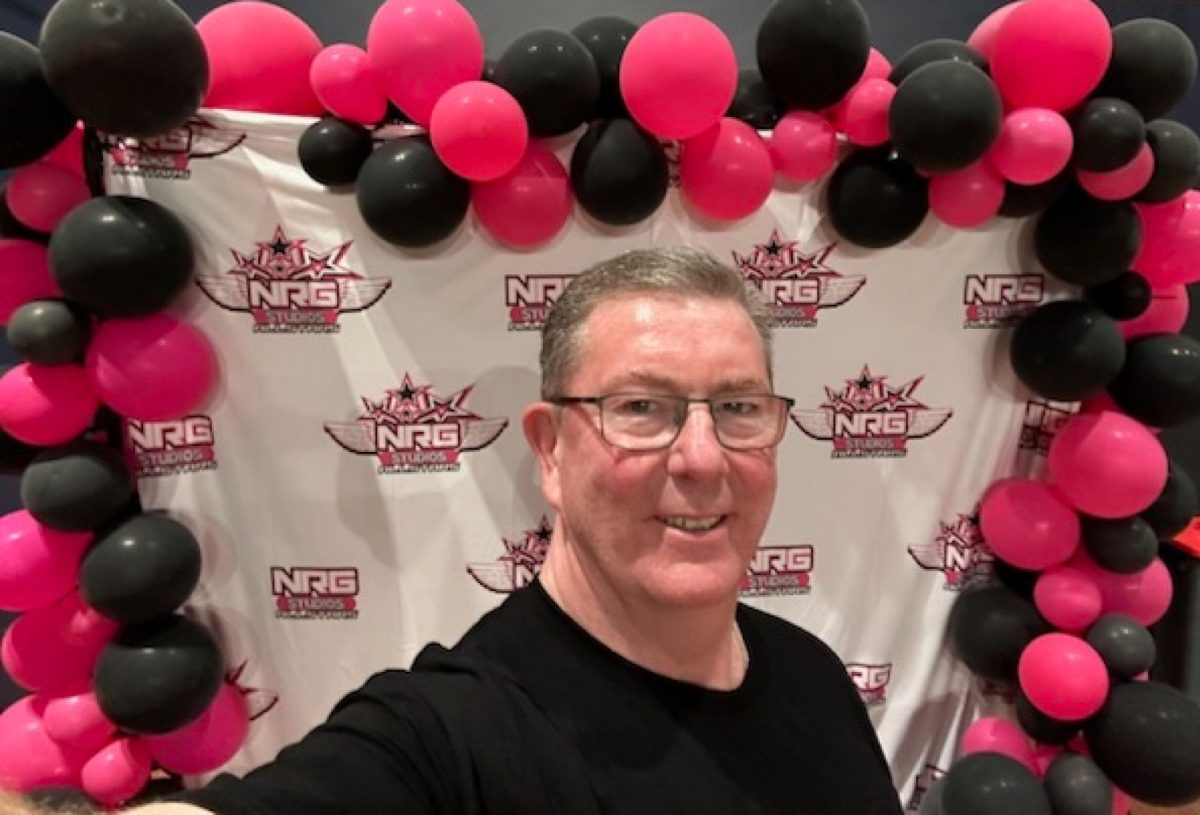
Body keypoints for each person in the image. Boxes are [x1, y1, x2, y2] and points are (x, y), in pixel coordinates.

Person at [28, 248, 903, 814]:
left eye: (740, 408)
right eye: (642, 408)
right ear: (551, 450)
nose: (704, 458)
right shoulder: (450, 735)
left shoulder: (809, 671)